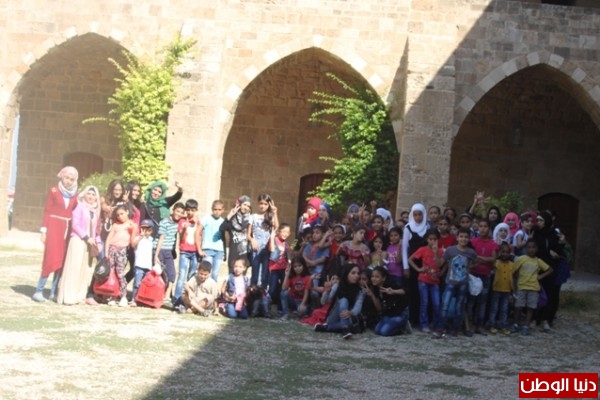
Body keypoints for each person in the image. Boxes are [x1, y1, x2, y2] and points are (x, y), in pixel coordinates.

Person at [32, 166, 79, 303]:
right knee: (50, 257)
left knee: (62, 260)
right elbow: (47, 211)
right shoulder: (54, 191)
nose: (68, 181)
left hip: (67, 229)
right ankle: (39, 290)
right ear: (62, 177)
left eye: (71, 179)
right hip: (54, 227)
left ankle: (53, 292)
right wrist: (44, 231)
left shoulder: (75, 195)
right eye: (66, 178)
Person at [56, 185, 101, 305]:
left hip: (89, 244)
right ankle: (68, 296)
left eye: (93, 195)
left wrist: (98, 242)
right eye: (88, 194)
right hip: (78, 240)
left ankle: (79, 296)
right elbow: (75, 225)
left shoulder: (95, 212)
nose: (90, 196)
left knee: (84, 270)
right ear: (84, 195)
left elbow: (96, 230)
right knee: (74, 268)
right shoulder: (79, 207)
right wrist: (85, 237)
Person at [435, 228, 477, 338]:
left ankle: (454, 331)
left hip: (463, 283)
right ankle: (440, 329)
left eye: (466, 237)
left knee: (459, 307)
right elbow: (440, 263)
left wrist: (468, 269)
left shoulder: (471, 252)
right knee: (445, 305)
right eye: (461, 236)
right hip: (450, 282)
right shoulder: (450, 250)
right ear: (457, 238)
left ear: (469, 239)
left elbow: (476, 262)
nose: (463, 239)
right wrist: (436, 253)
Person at [511, 239, 553, 336]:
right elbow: (513, 272)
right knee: (518, 307)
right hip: (521, 286)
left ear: (537, 249)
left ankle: (526, 326)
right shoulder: (521, 259)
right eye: (529, 247)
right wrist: (514, 286)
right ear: (526, 248)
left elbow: (550, 269)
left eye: (534, 247)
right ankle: (515, 324)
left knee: (530, 308)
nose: (531, 249)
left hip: (533, 288)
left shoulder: (538, 261)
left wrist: (541, 276)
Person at [314, 263, 365, 339]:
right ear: (347, 274)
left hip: (350, 317)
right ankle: (344, 328)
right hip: (334, 316)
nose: (356, 276)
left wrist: (351, 312)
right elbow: (323, 302)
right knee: (344, 300)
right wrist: (327, 291)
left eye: (358, 273)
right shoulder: (337, 286)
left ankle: (329, 328)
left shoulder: (360, 291)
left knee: (349, 322)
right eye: (353, 273)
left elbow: (358, 306)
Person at [408, 228, 444, 333]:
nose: (432, 241)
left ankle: (436, 324)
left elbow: (442, 263)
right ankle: (424, 324)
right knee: (424, 302)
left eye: (435, 239)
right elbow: (410, 259)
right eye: (430, 239)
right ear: (427, 239)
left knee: (437, 304)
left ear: (438, 240)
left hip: (435, 281)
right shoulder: (423, 249)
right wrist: (418, 269)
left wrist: (436, 253)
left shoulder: (440, 251)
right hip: (423, 280)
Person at [467, 218, 498, 335]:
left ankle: (479, 325)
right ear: (477, 228)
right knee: (471, 300)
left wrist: (479, 258)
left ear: (489, 228)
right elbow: (470, 256)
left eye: (485, 226)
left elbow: (493, 260)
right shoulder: (473, 241)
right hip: (473, 274)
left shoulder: (493, 244)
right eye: (481, 226)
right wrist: (486, 260)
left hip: (485, 275)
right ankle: (469, 324)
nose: (483, 229)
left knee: (482, 301)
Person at [533, 211, 563, 332]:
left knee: (550, 293)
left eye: (541, 220)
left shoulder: (553, 234)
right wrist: (547, 252)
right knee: (536, 292)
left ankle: (546, 319)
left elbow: (558, 251)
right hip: (538, 265)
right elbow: (534, 249)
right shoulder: (536, 233)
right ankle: (535, 318)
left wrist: (561, 244)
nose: (538, 223)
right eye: (537, 220)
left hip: (550, 266)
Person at [105, 204, 138, 307]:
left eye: (122, 214)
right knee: (111, 273)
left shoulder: (132, 225)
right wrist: (106, 252)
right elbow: (108, 239)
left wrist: (134, 232)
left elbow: (132, 243)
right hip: (112, 250)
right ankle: (113, 296)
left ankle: (123, 296)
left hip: (122, 251)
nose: (120, 216)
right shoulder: (115, 225)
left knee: (120, 273)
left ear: (127, 212)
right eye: (118, 215)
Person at [153, 202, 185, 306]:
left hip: (169, 251)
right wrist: (156, 255)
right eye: (177, 211)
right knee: (160, 273)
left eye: (181, 212)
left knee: (172, 274)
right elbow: (161, 239)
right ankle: (156, 295)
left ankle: (167, 296)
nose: (179, 214)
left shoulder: (178, 223)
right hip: (160, 249)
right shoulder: (165, 222)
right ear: (173, 210)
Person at [402, 203, 428, 325]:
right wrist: (405, 267)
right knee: (412, 291)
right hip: (411, 263)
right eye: (415, 214)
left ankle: (421, 318)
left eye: (420, 214)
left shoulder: (427, 227)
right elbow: (404, 248)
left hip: (424, 264)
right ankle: (411, 318)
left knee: (422, 292)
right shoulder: (408, 228)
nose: (417, 217)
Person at [173, 199, 201, 304]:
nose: (190, 212)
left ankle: (189, 299)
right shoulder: (182, 221)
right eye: (188, 210)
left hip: (194, 252)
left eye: (192, 210)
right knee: (182, 275)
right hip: (184, 251)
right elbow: (181, 237)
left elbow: (200, 237)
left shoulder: (198, 222)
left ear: (196, 210)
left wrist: (200, 250)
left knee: (192, 276)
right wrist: (185, 228)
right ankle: (177, 299)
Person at [248, 194, 278, 288]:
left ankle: (263, 292)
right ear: (258, 203)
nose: (263, 206)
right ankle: (253, 292)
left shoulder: (270, 216)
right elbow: (248, 234)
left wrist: (275, 213)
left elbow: (276, 227)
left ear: (268, 205)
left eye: (265, 204)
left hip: (267, 248)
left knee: (265, 274)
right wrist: (252, 240)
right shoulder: (253, 216)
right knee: (255, 273)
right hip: (256, 248)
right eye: (261, 203)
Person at [370, 266, 410, 336]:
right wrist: (372, 295)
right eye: (372, 276)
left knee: (384, 332)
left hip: (400, 313)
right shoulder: (375, 288)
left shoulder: (390, 284)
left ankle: (403, 326)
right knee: (377, 330)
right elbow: (379, 309)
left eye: (377, 277)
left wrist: (393, 291)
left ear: (383, 278)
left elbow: (404, 291)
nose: (374, 279)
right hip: (389, 314)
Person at [220, 195, 252, 274]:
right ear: (239, 204)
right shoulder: (232, 219)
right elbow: (222, 229)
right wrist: (230, 215)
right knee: (232, 276)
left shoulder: (250, 220)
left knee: (242, 277)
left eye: (248, 206)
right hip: (233, 252)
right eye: (244, 204)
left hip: (245, 253)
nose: (246, 207)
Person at [487, 242, 514, 335]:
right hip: (496, 289)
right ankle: (492, 324)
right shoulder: (496, 263)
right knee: (494, 308)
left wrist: (513, 291)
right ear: (499, 253)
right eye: (503, 252)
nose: (505, 254)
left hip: (507, 290)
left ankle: (503, 325)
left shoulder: (512, 264)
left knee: (504, 309)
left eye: (507, 252)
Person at [268, 223, 292, 312]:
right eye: (283, 231)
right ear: (279, 231)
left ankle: (280, 308)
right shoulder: (274, 240)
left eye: (287, 232)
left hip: (284, 269)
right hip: (274, 269)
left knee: (283, 288)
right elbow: (271, 249)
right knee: (272, 288)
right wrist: (272, 237)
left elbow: (290, 251)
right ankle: (267, 307)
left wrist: (297, 241)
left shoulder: (286, 243)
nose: (285, 234)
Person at [199, 200, 226, 282]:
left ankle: (212, 289)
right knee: (205, 272)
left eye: (219, 210)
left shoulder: (223, 221)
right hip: (208, 250)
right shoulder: (206, 219)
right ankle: (203, 289)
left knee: (215, 273)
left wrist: (224, 252)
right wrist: (199, 250)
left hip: (219, 250)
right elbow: (197, 232)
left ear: (223, 210)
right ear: (212, 209)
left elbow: (224, 237)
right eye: (215, 209)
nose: (217, 212)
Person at [130, 219, 155, 304]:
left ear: (151, 230)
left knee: (145, 284)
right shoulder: (138, 238)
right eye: (143, 228)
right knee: (137, 283)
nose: (146, 231)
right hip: (139, 265)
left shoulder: (151, 240)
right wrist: (140, 237)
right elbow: (133, 245)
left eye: (148, 229)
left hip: (148, 266)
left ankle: (142, 299)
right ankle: (133, 299)